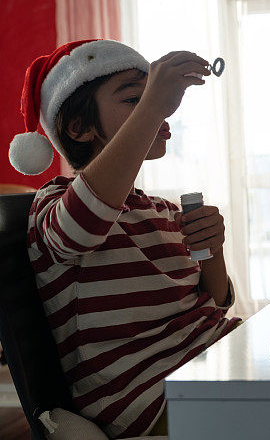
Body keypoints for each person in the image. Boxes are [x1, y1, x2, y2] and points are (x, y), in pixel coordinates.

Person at [8, 39, 241, 438]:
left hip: (212, 363)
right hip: (148, 399)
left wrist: (213, 250)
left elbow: (212, 302)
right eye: (136, 98)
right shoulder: (54, 202)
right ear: (79, 128)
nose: (160, 109)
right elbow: (80, 225)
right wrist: (153, 107)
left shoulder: (162, 210)